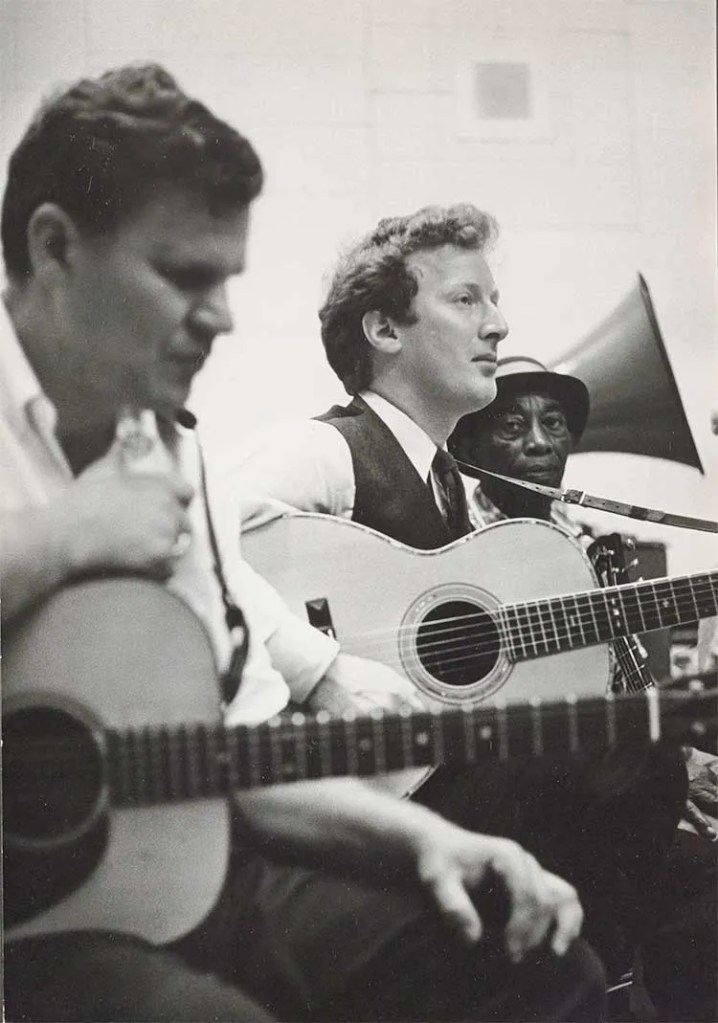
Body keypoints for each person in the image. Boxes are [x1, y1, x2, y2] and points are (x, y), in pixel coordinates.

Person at [0, 67, 606, 1022]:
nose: (223, 317)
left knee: (538, 964)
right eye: (183, 274)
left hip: (201, 882)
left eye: (226, 279)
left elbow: (242, 753)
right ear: (55, 247)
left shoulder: (171, 455)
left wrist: (421, 841)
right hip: (38, 926)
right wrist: (60, 541)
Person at [231, 204, 694, 1013]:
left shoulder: (460, 493)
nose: (498, 323)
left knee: (669, 817)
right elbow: (198, 553)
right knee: (634, 755)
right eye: (467, 300)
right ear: (383, 328)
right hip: (353, 801)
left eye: (495, 301)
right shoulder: (328, 448)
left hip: (431, 778)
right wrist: (322, 665)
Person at [448, 354, 718, 1021]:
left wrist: (683, 759)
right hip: (519, 798)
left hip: (616, 792)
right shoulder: (451, 537)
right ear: (471, 442)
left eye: (555, 423)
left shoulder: (595, 543)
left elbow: (630, 678)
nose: (540, 442)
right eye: (512, 425)